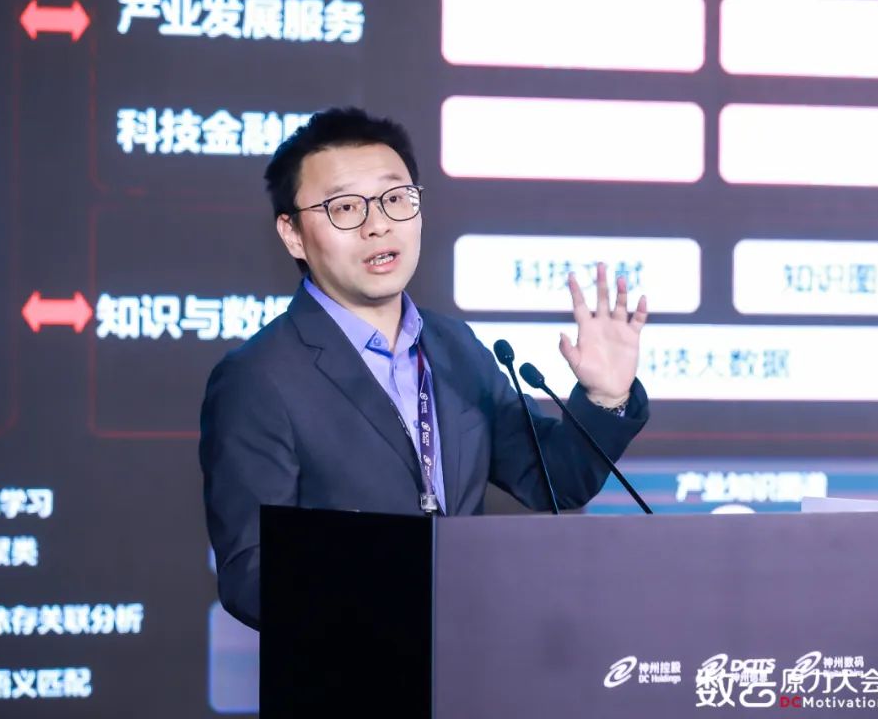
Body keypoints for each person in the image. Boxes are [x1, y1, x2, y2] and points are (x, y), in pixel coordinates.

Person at [200, 107, 651, 630]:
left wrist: (605, 398)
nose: (377, 225)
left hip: (474, 663)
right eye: (345, 207)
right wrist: (394, 583)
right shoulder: (258, 378)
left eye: (395, 198)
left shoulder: (455, 347)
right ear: (293, 234)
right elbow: (251, 573)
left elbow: (555, 480)